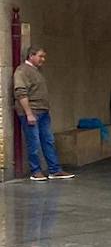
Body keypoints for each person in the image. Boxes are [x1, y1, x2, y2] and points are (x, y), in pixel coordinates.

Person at [12, 46, 74, 181]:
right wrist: (28, 113)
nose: (43, 59)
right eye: (40, 56)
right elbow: (20, 92)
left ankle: (55, 170)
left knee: (48, 140)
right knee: (34, 142)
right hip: (32, 111)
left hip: (43, 112)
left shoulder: (37, 71)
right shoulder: (22, 71)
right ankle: (35, 171)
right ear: (31, 56)